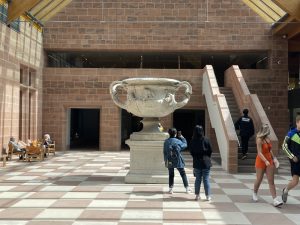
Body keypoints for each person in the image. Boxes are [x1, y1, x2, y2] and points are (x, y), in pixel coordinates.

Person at [252, 124, 283, 207]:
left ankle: (275, 199)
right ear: (263, 130)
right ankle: (254, 193)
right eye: (267, 130)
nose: (268, 131)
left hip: (269, 161)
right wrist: (265, 161)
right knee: (259, 179)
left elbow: (270, 150)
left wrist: (274, 159)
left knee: (271, 180)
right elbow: (259, 152)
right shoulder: (259, 139)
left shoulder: (268, 139)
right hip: (261, 161)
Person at [163, 128, 191, 194]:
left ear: (169, 133)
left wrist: (165, 160)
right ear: (175, 134)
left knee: (171, 174)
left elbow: (165, 152)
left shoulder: (166, 141)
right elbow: (185, 145)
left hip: (169, 159)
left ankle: (170, 188)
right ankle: (187, 188)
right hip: (178, 159)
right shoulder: (178, 141)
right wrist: (182, 137)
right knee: (183, 173)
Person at [190, 125, 212, 201]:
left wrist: (195, 157)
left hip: (197, 161)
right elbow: (210, 150)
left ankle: (197, 195)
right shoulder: (206, 139)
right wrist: (207, 157)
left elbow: (191, 152)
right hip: (206, 161)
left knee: (198, 179)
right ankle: (208, 196)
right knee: (206, 179)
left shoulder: (193, 140)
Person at [282, 115, 300, 204]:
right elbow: (284, 146)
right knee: (295, 181)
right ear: (297, 122)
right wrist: (292, 156)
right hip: (295, 161)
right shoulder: (291, 133)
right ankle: (285, 190)